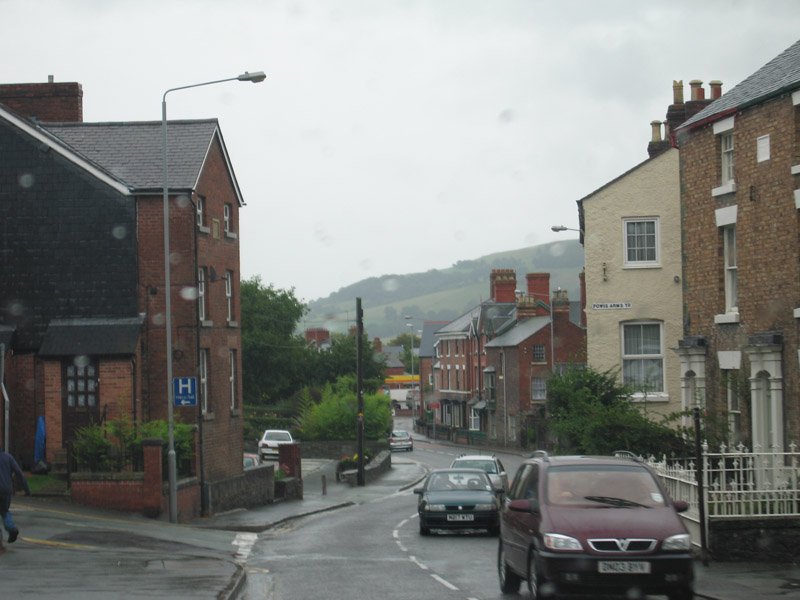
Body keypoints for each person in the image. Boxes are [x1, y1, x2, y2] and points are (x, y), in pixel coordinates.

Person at [0, 446, 31, 543]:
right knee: (5, 511)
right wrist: (27, 490)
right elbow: (19, 473)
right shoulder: (8, 457)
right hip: (6, 490)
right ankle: (12, 528)